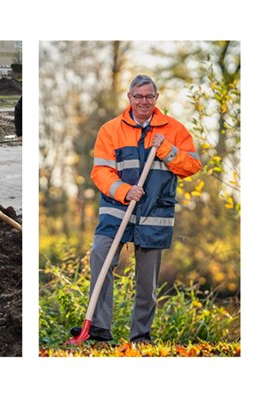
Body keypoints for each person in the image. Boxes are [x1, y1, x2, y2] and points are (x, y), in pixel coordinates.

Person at [87, 75, 201, 343]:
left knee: (147, 281)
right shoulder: (111, 130)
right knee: (100, 258)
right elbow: (100, 172)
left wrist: (167, 150)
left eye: (149, 96)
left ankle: (140, 336)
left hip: (154, 213)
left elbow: (192, 167)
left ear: (156, 98)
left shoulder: (173, 129)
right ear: (129, 97)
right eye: (138, 96)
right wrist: (126, 191)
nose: (143, 101)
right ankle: (100, 329)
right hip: (116, 210)